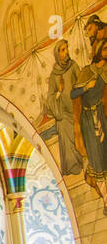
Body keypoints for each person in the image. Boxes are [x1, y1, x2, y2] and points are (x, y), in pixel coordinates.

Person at [72, 39, 107, 198]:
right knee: (96, 158)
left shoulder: (106, 71)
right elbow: (73, 94)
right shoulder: (87, 71)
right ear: (99, 51)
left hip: (100, 114)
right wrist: (86, 87)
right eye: (106, 49)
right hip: (88, 119)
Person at [46, 39, 84, 177]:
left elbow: (81, 82)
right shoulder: (54, 75)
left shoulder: (73, 66)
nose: (66, 52)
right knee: (63, 129)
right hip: (63, 113)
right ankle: (72, 166)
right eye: (63, 50)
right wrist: (59, 91)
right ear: (58, 54)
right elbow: (50, 98)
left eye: (66, 48)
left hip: (76, 108)